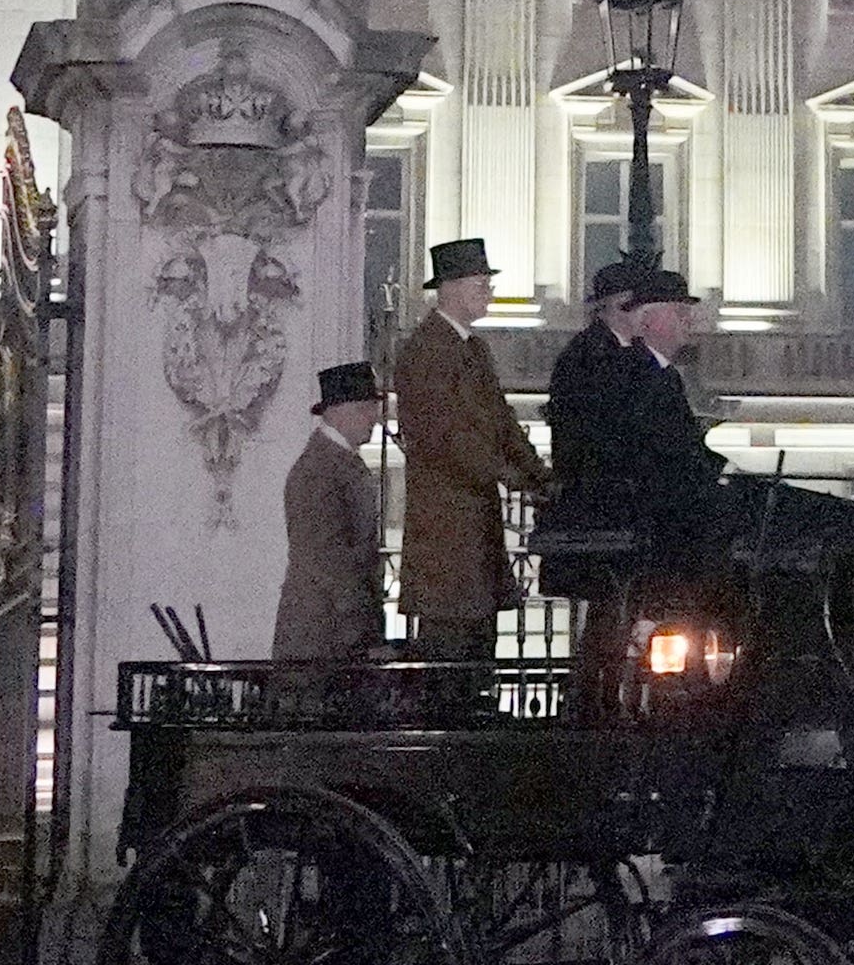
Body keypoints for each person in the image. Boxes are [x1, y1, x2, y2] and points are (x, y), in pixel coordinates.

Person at [542, 261, 727, 697]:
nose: (688, 324)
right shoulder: (611, 365)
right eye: (677, 312)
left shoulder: (642, 369)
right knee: (622, 614)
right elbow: (633, 448)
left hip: (630, 510)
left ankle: (611, 694)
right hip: (622, 513)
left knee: (618, 619)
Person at [387, 242, 542, 699]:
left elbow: (501, 421)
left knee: (476, 642)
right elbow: (447, 437)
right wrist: (511, 475)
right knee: (450, 647)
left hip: (472, 523)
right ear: (449, 289)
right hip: (446, 527)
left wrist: (536, 472)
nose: (488, 293)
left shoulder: (472, 349)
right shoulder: (427, 350)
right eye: (480, 285)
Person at [276, 360, 390, 660]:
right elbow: (332, 564)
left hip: (326, 635)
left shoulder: (329, 465)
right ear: (340, 411)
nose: (373, 419)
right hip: (326, 639)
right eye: (366, 409)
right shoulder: (320, 471)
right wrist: (364, 638)